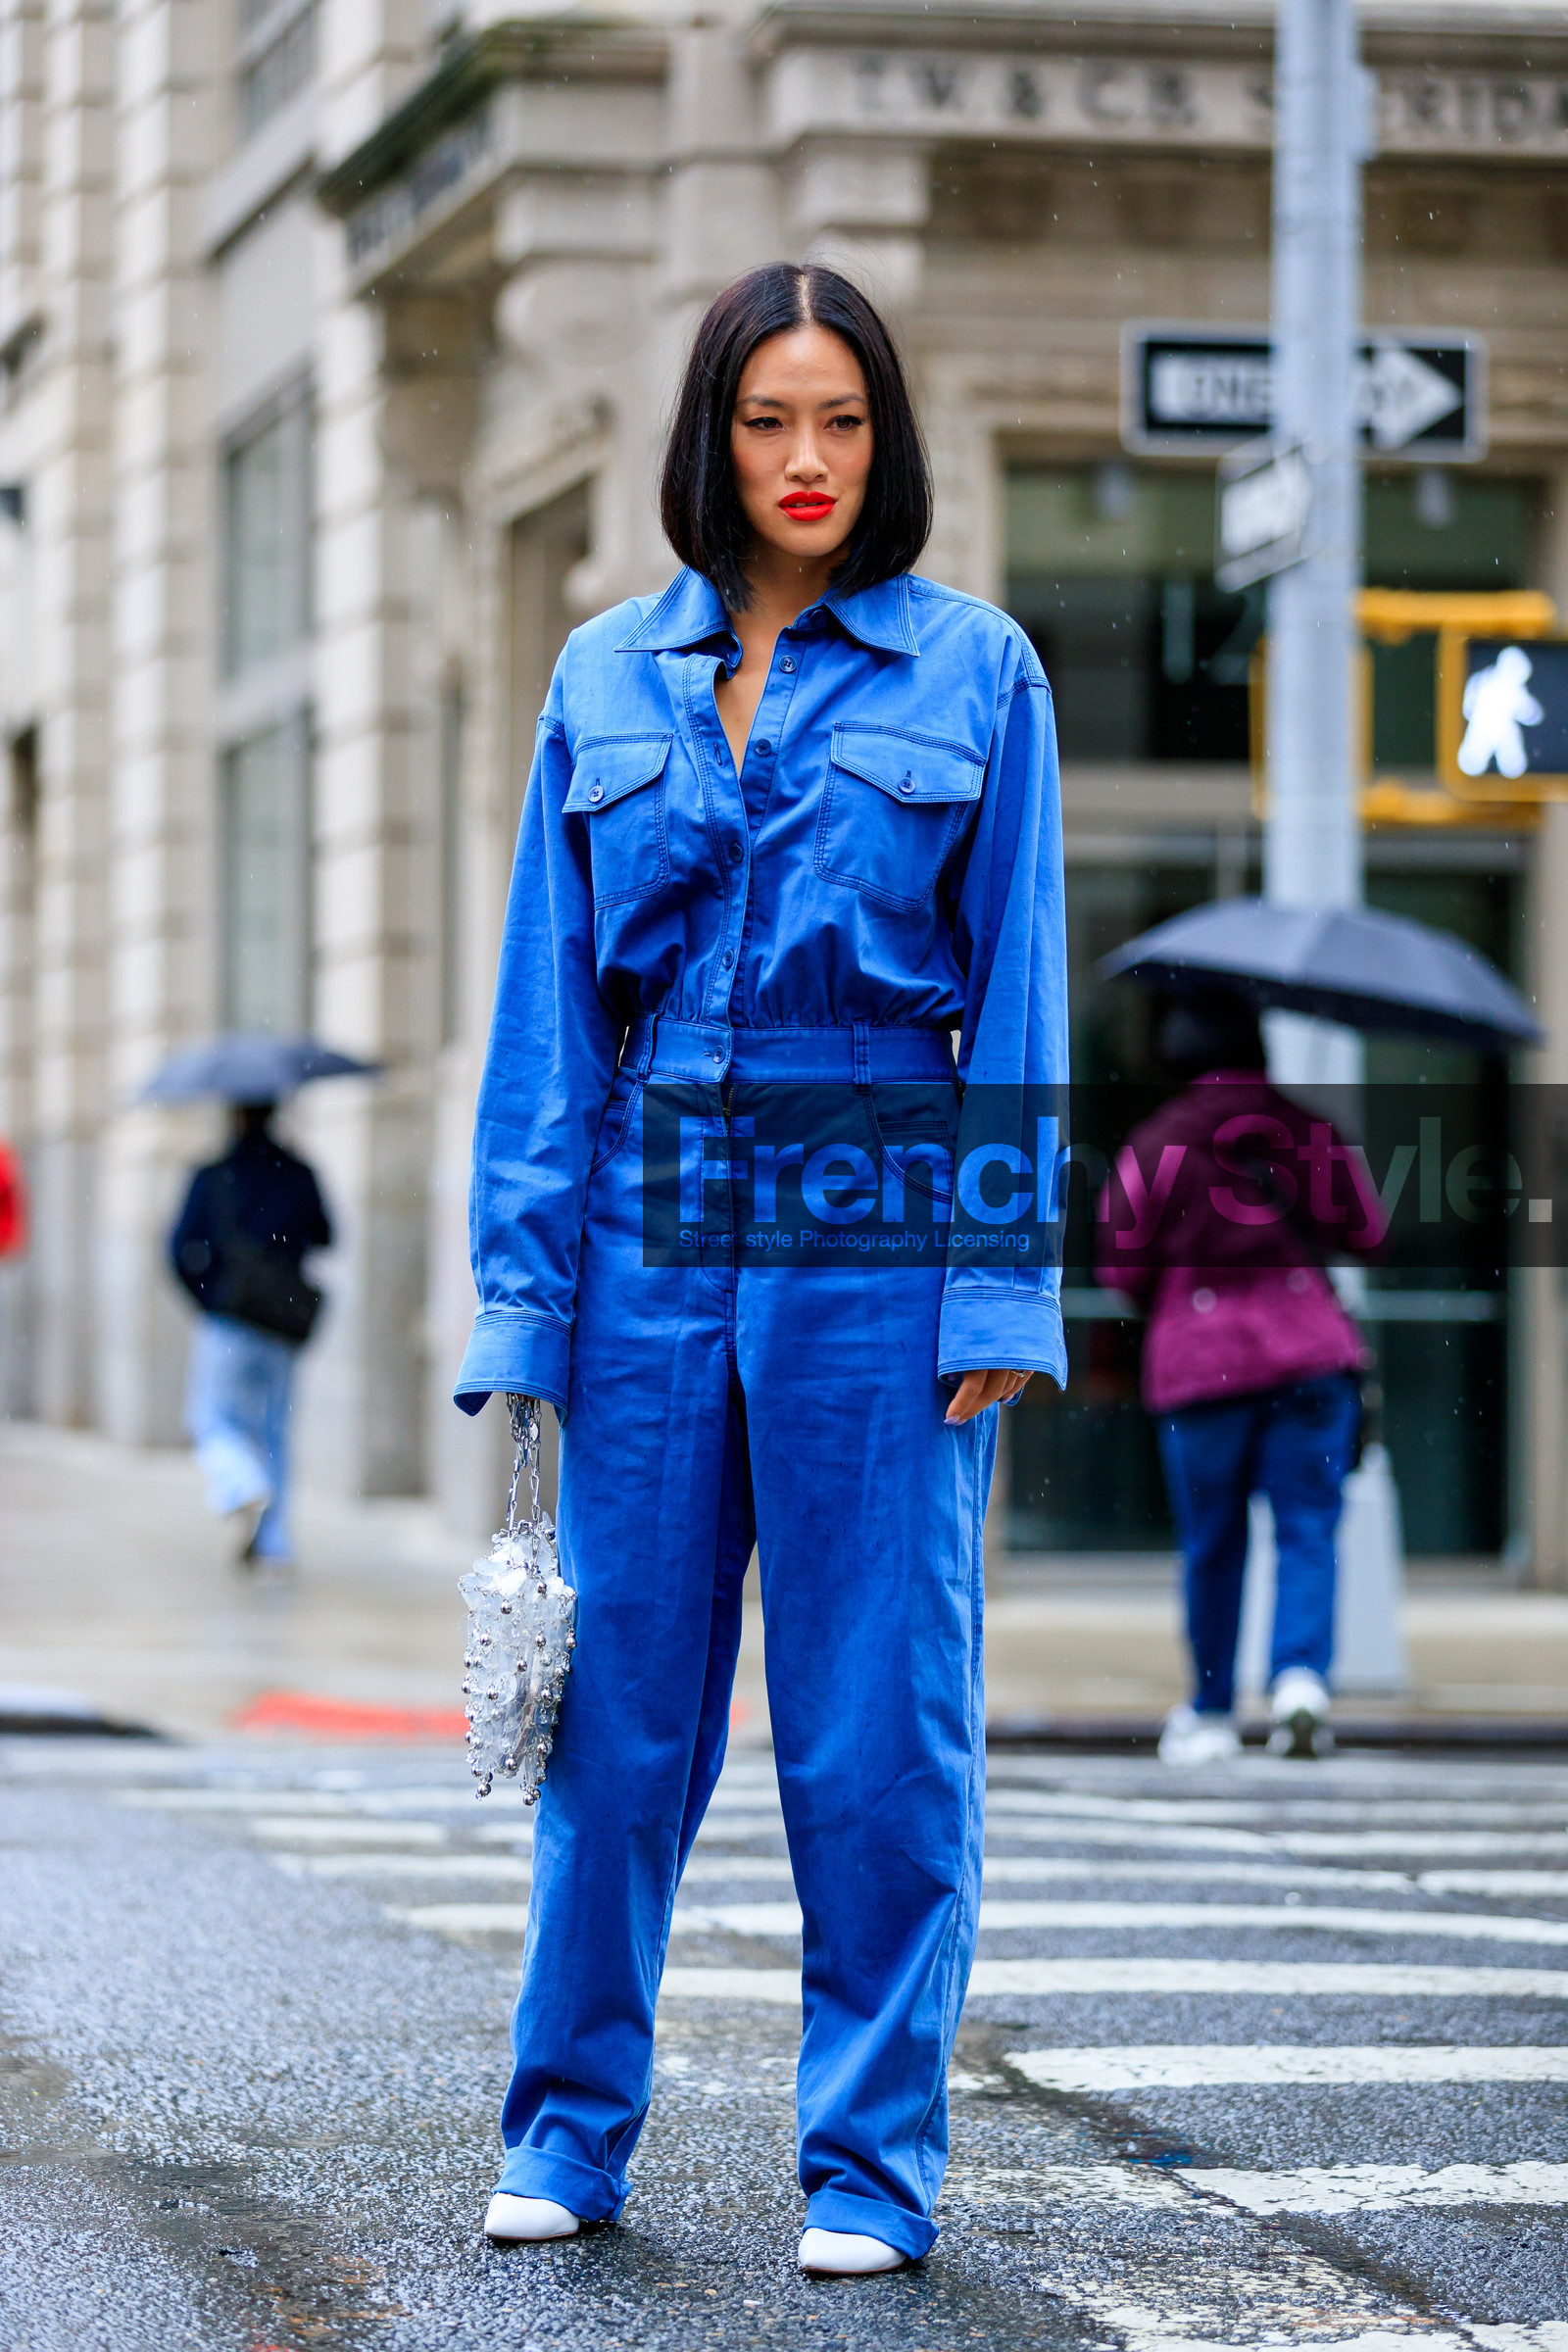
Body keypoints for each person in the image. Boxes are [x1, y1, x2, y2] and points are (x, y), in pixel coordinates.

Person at [454, 263, 1066, 2273]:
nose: (804, 462)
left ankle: (868, 2168)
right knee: (619, 1713)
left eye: (842, 423)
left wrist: (994, 1290)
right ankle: (565, 2127)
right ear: (707, 437)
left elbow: (1023, 1001)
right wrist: (522, 1302)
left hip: (875, 1197)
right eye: (765, 421)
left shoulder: (976, 672)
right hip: (643, 1207)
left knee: (872, 1720)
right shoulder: (600, 673)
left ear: (883, 446)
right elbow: (547, 1014)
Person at [1094, 989, 1385, 1766]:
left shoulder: (1154, 1144)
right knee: (1307, 1527)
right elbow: (1369, 1233)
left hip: (1200, 1363)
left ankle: (1214, 1710)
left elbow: (1120, 1267)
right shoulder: (1303, 1128)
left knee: (1212, 1543)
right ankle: (1298, 1683)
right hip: (1310, 1354)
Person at [170, 1100, 332, 1566]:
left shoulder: (213, 1175)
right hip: (280, 1321)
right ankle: (274, 1542)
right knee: (275, 1431)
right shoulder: (299, 1171)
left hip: (229, 1317)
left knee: (211, 1419)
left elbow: (178, 1248)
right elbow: (327, 1234)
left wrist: (209, 1297)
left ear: (235, 1117)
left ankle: (242, 1485)